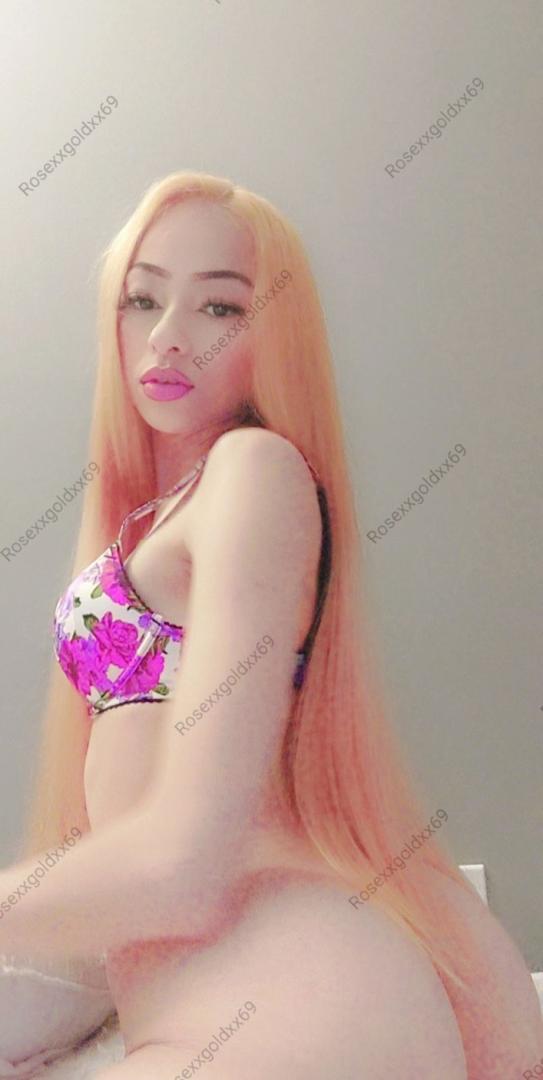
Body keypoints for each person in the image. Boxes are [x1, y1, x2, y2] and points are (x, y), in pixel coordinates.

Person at [3, 172, 541, 1079]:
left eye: (221, 306)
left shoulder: (253, 471)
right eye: (142, 298)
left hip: (296, 1010)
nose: (169, 335)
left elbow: (182, 864)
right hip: (247, 1013)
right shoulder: (157, 512)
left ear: (274, 333)